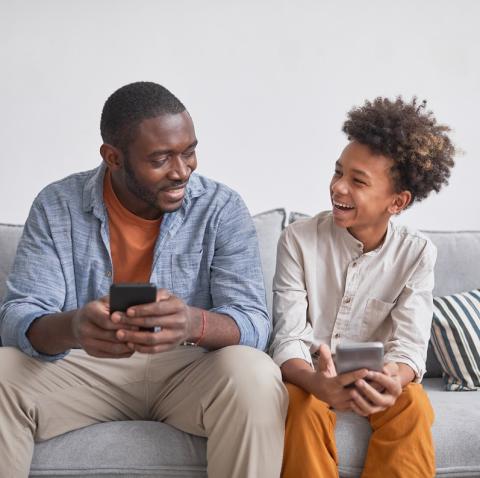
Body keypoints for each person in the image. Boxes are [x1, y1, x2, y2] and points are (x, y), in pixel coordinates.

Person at [0, 81, 287, 478]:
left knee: (255, 372)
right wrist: (74, 326)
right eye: (161, 158)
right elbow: (18, 316)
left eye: (189, 152)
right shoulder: (58, 205)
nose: (182, 170)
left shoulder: (221, 208)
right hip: (88, 367)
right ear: (113, 157)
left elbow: (254, 324)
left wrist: (193, 323)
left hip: (189, 370)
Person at [270, 97, 456, 477]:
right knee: (298, 405)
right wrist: (315, 382)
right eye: (338, 172)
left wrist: (394, 377)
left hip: (376, 378)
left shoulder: (417, 254)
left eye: (357, 181)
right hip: (309, 378)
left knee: (414, 404)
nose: (338, 187)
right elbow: (288, 336)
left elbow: (410, 345)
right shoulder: (298, 240)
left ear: (397, 201)